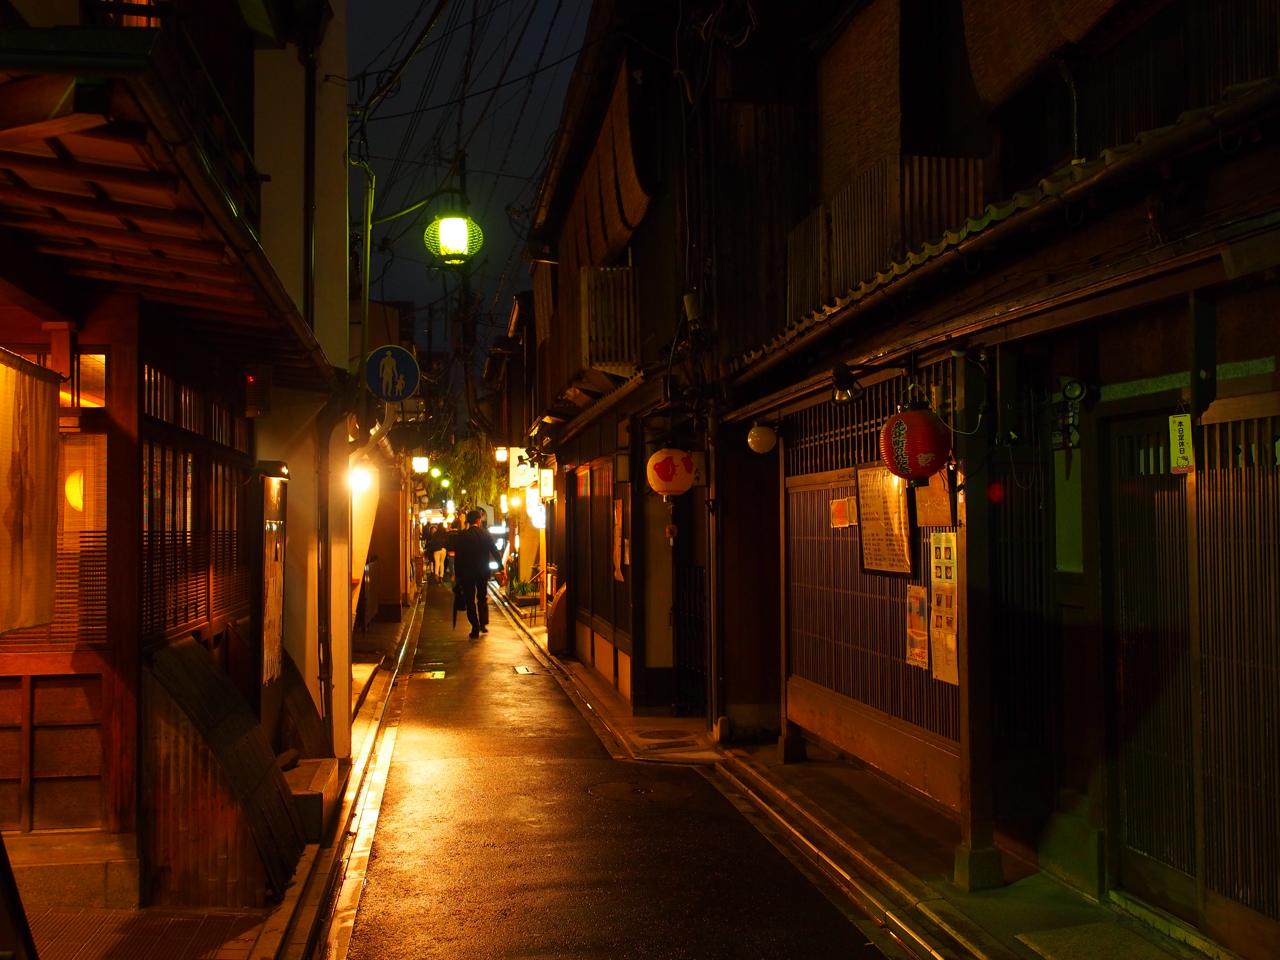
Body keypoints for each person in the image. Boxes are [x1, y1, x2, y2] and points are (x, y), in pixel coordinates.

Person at [452, 508, 503, 638]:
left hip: (467, 573)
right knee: (482, 597)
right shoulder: (486, 534)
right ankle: (483, 624)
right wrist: (501, 568)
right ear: (478, 520)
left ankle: (474, 627)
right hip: (483, 571)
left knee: (470, 599)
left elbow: (458, 557)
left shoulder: (463, 536)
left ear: (469, 521)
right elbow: (494, 550)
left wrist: (457, 574)